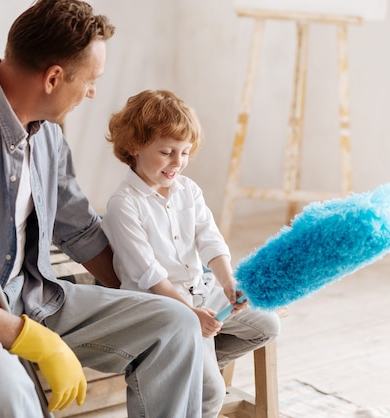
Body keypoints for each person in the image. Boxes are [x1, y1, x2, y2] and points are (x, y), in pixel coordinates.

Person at [0, 2, 205, 417]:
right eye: (90, 81)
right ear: (53, 78)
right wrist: (31, 339)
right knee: (8, 389)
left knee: (174, 324)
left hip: (27, 296)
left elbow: (79, 228)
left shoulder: (45, 132)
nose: (92, 92)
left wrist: (153, 292)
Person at [101, 90, 281, 418]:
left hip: (201, 295)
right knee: (209, 393)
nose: (177, 163)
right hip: (160, 306)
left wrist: (228, 282)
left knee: (266, 324)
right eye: (167, 152)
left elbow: (210, 239)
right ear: (133, 146)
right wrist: (189, 314)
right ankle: (192, 378)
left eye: (184, 152)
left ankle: (187, 371)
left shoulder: (188, 189)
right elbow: (149, 274)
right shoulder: (123, 204)